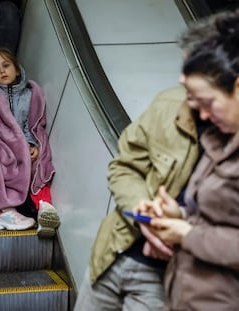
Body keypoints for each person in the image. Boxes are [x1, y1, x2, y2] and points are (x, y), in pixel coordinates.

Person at [72, 12, 230, 310]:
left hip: (168, 280)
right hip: (111, 256)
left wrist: (179, 226)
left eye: (193, 82)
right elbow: (124, 166)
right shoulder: (168, 105)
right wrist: (140, 208)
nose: (183, 86)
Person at [135, 11, 239, 310]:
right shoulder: (220, 139)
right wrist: (178, 214)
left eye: (207, 102)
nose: (201, 112)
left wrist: (187, 234)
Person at [0, 47, 60, 237]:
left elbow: (33, 125)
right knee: (2, 159)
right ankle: (5, 211)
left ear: (17, 69)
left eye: (6, 65)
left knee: (41, 155)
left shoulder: (29, 94)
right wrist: (16, 146)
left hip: (23, 144)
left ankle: (44, 206)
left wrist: (30, 145)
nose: (2, 71)